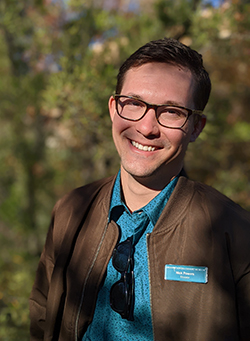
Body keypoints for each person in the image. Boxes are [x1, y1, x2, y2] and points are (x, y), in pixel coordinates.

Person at [30, 38, 250, 341]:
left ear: (196, 127)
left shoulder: (234, 232)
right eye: (133, 103)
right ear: (113, 108)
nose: (147, 127)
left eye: (171, 111)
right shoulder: (71, 211)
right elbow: (42, 319)